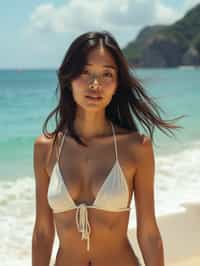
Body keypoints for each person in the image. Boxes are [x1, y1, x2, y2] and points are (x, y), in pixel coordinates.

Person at [32, 31, 183, 266]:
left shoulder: (136, 148)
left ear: (116, 84)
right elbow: (43, 232)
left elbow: (149, 233)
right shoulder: (46, 148)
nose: (95, 84)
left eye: (106, 74)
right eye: (85, 72)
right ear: (68, 78)